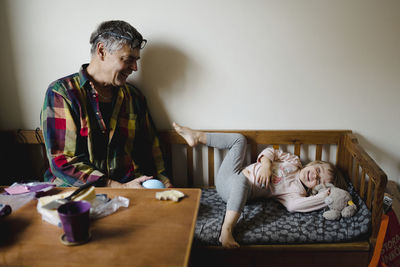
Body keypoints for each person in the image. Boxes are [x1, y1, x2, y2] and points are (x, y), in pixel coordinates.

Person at [41, 20, 171, 189]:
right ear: (101, 51)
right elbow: (62, 160)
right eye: (128, 59)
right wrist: (114, 186)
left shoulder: (134, 96)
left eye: (136, 60)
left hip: (130, 190)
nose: (135, 68)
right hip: (75, 192)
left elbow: (150, 148)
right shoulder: (62, 93)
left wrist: (165, 182)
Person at [172, 122, 346, 248]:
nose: (315, 175)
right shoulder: (294, 161)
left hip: (235, 191)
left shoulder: (296, 192)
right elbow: (270, 151)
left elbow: (294, 206)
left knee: (243, 181)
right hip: (229, 175)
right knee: (239, 140)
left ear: (316, 188)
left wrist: (324, 197)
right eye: (319, 169)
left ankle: (226, 229)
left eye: (320, 180)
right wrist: (266, 165)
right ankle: (197, 136)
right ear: (313, 163)